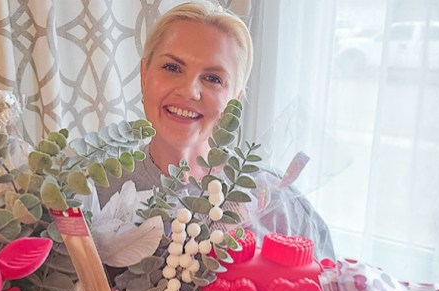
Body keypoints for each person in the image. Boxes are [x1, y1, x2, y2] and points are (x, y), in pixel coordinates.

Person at [97, 1, 335, 260]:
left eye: (213, 78)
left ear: (236, 98)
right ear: (144, 75)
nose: (189, 90)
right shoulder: (97, 193)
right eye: (172, 67)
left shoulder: (278, 205)